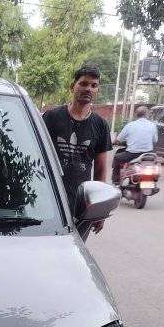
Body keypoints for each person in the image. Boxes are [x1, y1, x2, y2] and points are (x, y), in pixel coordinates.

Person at [42, 64, 113, 224]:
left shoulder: (100, 125)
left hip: (80, 206)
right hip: (49, 201)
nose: (89, 88)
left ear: (97, 91)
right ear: (72, 86)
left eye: (94, 85)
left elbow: (100, 170)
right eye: (84, 83)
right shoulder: (52, 117)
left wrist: (99, 210)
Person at [112, 105, 158, 184]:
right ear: (147, 115)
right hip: (148, 155)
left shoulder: (130, 125)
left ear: (136, 115)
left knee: (117, 157)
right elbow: (155, 140)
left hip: (132, 155)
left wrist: (114, 142)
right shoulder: (152, 125)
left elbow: (118, 140)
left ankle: (116, 181)